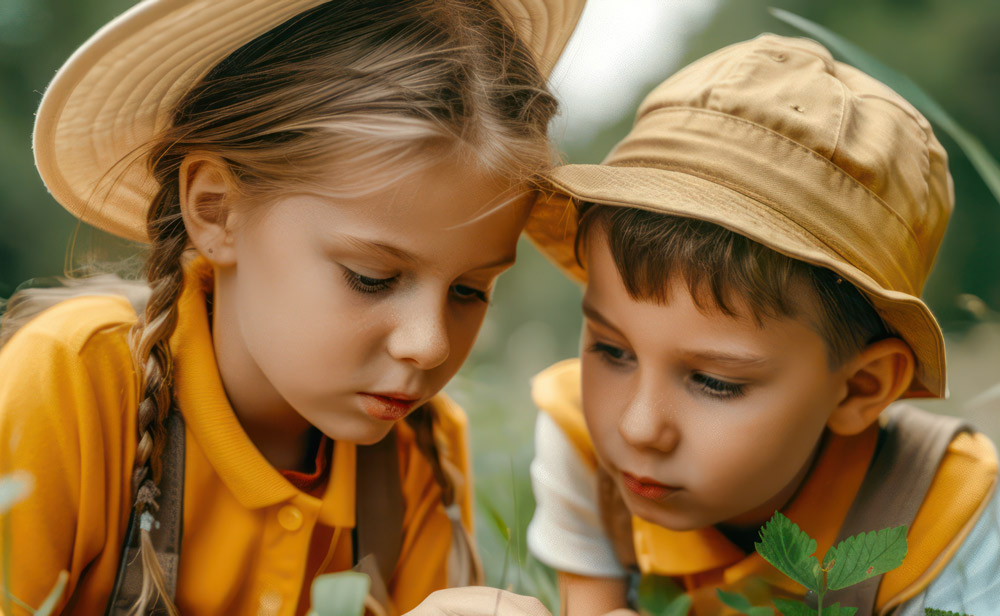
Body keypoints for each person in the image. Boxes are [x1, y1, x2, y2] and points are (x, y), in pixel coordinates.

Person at [0, 0, 585, 614]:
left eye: (470, 290)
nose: (430, 343)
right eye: (372, 277)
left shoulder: (419, 453)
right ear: (216, 210)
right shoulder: (72, 381)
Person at [523, 34, 999, 616]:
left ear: (862, 386)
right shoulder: (581, 441)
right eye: (611, 350)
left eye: (716, 382)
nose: (640, 427)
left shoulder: (945, 515)